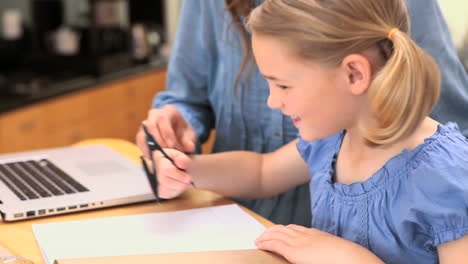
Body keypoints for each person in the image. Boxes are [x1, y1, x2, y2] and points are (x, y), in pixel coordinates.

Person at [150, 0, 468, 263]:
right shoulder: (335, 139)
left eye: (283, 84)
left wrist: (348, 259)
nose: (273, 100)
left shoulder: (447, 177)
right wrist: (187, 168)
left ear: (354, 74)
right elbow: (261, 172)